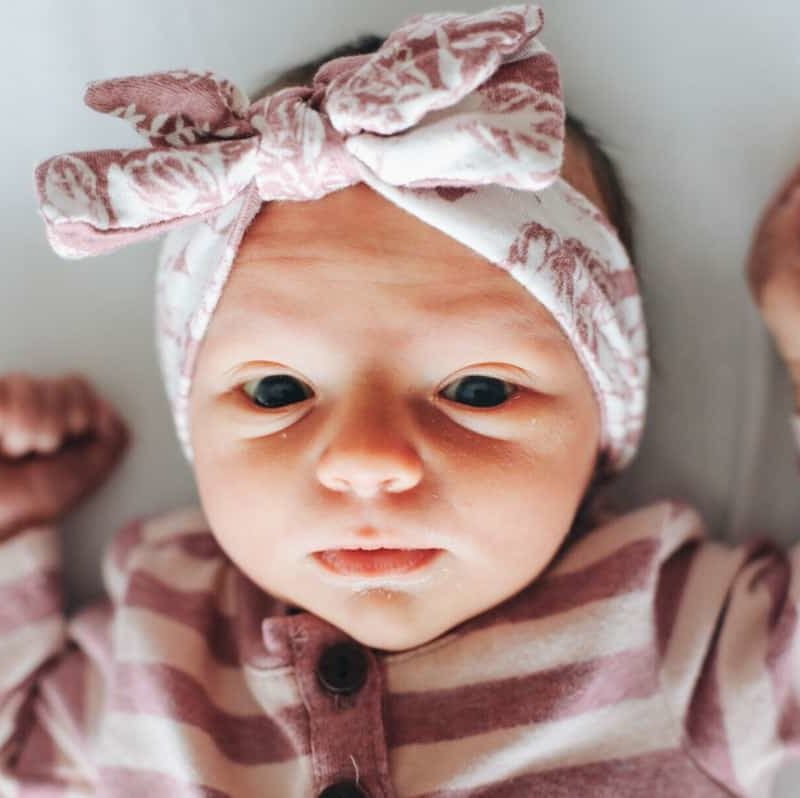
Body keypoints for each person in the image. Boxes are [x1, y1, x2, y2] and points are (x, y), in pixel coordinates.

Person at [1, 4, 797, 796]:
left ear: (604, 425)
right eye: (277, 391)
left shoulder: (670, 633)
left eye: (478, 391)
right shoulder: (162, 641)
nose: (366, 462)